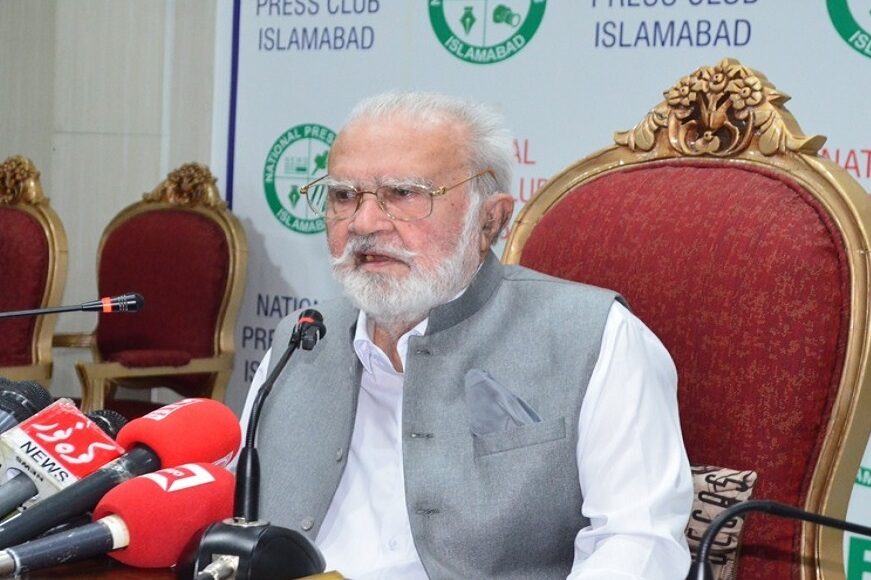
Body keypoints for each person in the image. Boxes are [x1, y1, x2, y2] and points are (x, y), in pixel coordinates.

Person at [241, 92, 693, 579]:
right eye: (343, 196)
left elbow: (639, 544)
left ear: (489, 220)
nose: (363, 223)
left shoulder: (598, 337)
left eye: (403, 194)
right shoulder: (299, 339)